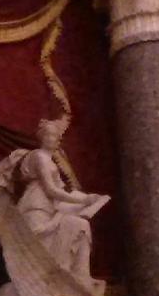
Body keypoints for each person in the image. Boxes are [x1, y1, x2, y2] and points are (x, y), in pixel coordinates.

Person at [17, 117, 108, 279]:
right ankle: (52, 278)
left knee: (81, 225)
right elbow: (51, 189)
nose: (54, 139)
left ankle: (80, 277)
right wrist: (83, 201)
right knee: (40, 252)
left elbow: (60, 192)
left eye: (56, 136)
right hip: (37, 207)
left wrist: (87, 199)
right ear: (42, 137)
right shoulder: (39, 156)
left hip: (53, 208)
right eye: (49, 135)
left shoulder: (50, 161)